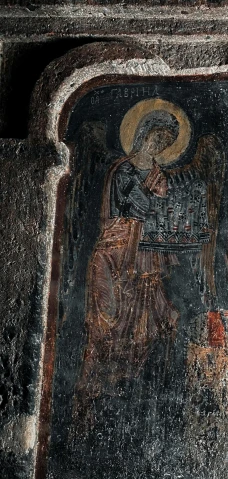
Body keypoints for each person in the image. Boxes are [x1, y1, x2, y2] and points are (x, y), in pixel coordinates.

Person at [74, 110, 185, 426]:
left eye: (166, 141)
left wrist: (159, 198)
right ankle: (88, 398)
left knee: (142, 325)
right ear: (143, 133)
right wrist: (148, 193)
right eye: (157, 137)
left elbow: (161, 216)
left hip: (143, 259)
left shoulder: (160, 175)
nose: (159, 144)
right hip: (113, 252)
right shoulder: (120, 169)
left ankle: (122, 397)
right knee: (103, 320)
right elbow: (123, 206)